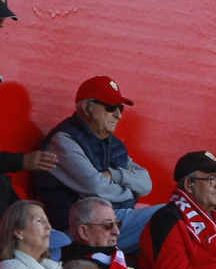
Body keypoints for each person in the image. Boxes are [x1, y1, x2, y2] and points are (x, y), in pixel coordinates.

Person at [31, 77, 155, 246]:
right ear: (86, 107)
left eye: (120, 108)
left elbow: (146, 183)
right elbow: (96, 188)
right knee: (167, 215)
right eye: (110, 107)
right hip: (80, 229)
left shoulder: (113, 144)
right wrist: (131, 192)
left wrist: (113, 174)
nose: (118, 115)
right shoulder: (63, 140)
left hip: (111, 220)